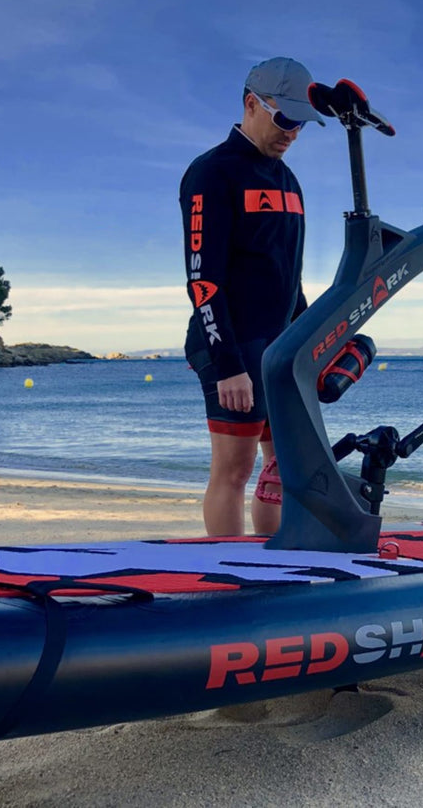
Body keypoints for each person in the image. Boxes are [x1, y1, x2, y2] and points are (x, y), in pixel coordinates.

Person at [179, 57, 325, 536]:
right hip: (230, 344)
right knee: (235, 470)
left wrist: (308, 343)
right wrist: (228, 365)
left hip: (279, 347)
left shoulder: (289, 181)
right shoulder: (211, 173)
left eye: (301, 123)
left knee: (280, 469)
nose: (293, 132)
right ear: (251, 104)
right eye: (284, 119)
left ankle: (271, 567)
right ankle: (230, 578)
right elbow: (202, 278)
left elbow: (288, 278)